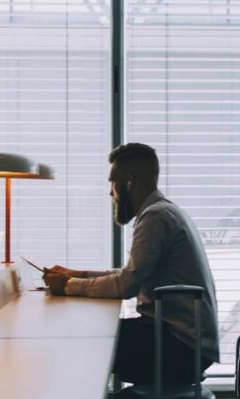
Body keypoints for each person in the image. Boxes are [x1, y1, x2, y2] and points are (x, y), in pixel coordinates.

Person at [43, 143, 219, 386]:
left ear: (129, 180)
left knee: (83, 337)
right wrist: (75, 275)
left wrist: (69, 285)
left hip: (179, 347)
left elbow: (127, 285)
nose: (110, 193)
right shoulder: (163, 212)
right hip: (180, 339)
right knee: (91, 332)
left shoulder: (156, 217)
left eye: (112, 182)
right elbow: (132, 273)